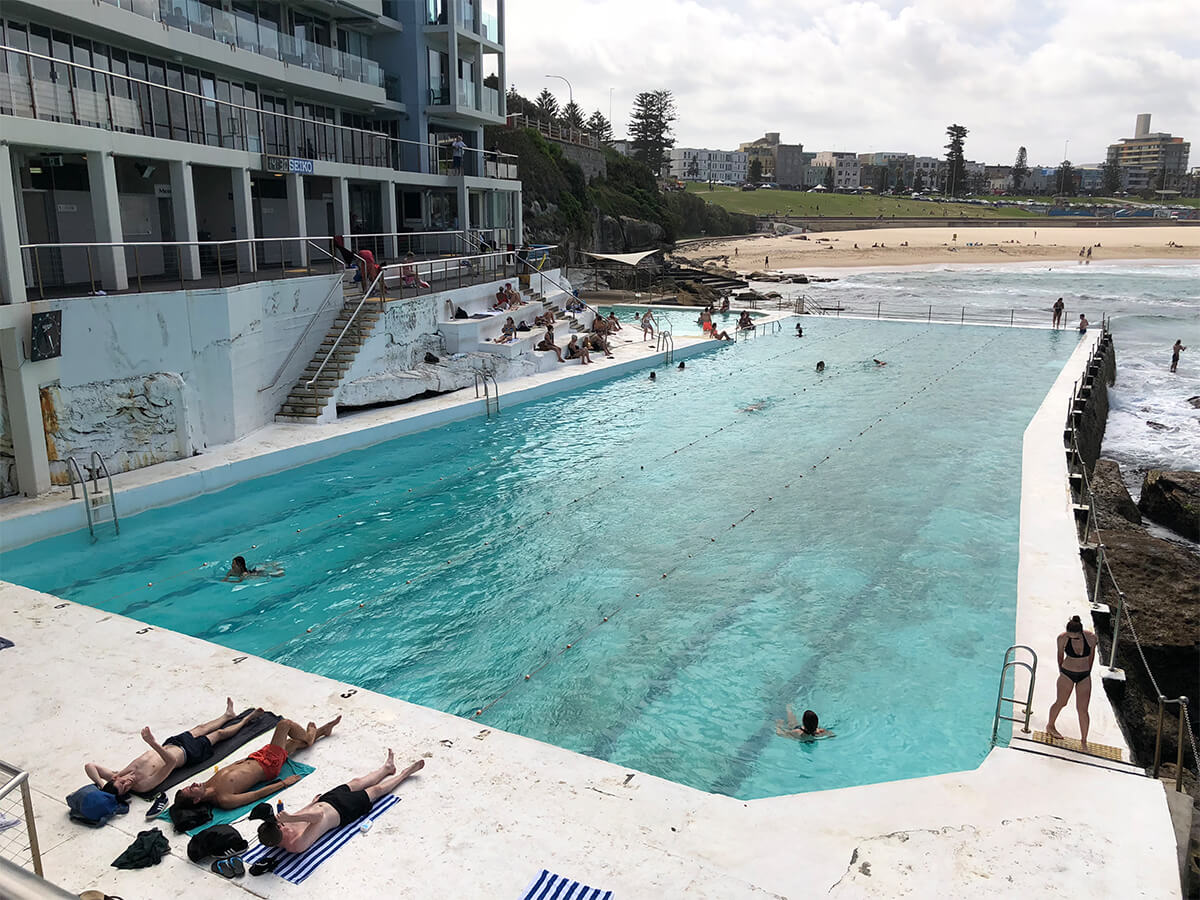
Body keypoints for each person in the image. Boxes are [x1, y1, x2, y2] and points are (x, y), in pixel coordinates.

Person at [85, 698, 259, 803]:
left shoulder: (118, 774)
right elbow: (171, 762)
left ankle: (227, 716)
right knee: (219, 735)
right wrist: (153, 743)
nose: (127, 783)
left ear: (115, 778)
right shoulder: (143, 785)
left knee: (201, 727)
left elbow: (90, 766)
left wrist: (101, 785)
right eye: (125, 789)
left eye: (121, 782)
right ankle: (246, 721)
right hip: (187, 753)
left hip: (171, 744)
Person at [252, 750, 424, 854]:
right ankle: (404, 774)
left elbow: (302, 814)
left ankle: (386, 769)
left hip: (325, 801)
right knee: (375, 791)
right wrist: (290, 818)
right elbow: (318, 817)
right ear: (280, 837)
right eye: (279, 826)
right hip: (342, 811)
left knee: (356, 782)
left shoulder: (279, 831)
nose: (280, 824)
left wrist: (311, 803)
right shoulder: (297, 844)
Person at [172, 716, 340, 812]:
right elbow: (255, 795)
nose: (194, 784)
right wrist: (283, 783)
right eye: (191, 789)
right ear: (196, 800)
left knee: (293, 744)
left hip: (256, 758)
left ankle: (323, 731)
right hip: (269, 766)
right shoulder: (224, 799)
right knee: (284, 725)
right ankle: (310, 737)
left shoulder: (206, 784)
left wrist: (244, 760)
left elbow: (230, 771)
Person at [1046, 615, 1096, 751]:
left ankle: (1084, 740)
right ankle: (1050, 725)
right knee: (1061, 702)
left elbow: (1092, 656)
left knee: (1082, 709)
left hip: (1084, 676)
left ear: (1080, 632)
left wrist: (1087, 671)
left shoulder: (1091, 638)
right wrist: (1061, 671)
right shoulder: (1062, 638)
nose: (1071, 638)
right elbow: (1060, 656)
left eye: (1075, 637)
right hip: (1067, 673)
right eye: (1070, 636)